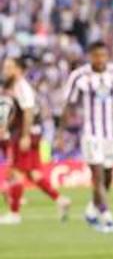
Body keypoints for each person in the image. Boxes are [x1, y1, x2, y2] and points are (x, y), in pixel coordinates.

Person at [61, 41, 113, 232]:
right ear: (90, 57)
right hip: (91, 133)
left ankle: (91, 210)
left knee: (108, 177)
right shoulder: (79, 76)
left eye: (103, 56)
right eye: (96, 56)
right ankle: (107, 216)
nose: (100, 60)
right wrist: (60, 133)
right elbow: (68, 105)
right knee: (97, 176)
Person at [0, 57, 70, 226]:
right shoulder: (15, 87)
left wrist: (24, 135)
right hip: (28, 133)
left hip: (25, 135)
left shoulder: (21, 86)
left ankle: (14, 214)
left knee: (16, 172)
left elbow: (28, 111)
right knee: (33, 174)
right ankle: (60, 200)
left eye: (9, 67)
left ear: (19, 69)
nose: (5, 70)